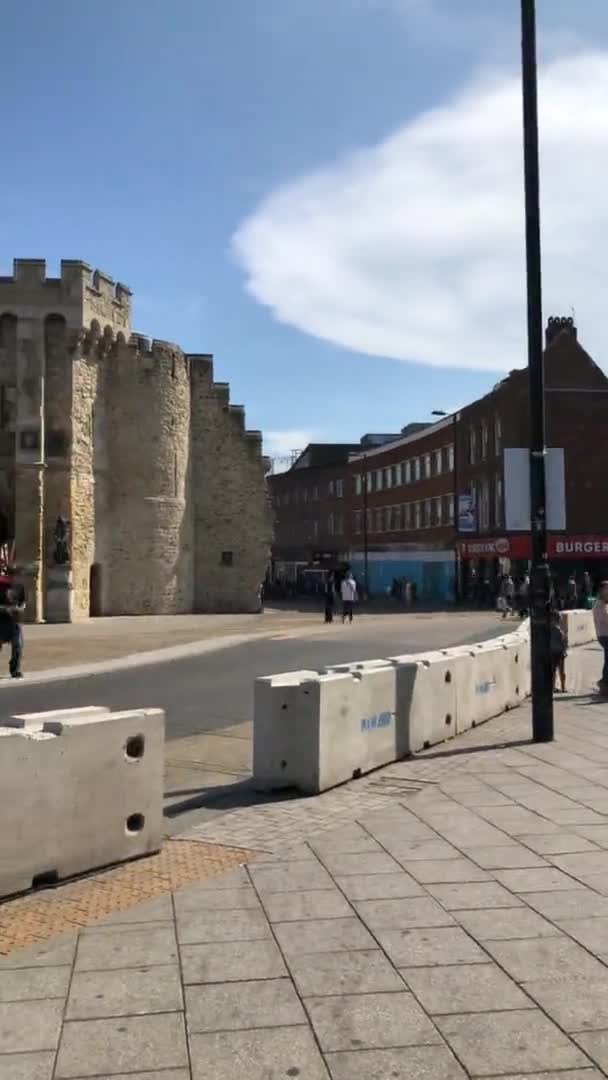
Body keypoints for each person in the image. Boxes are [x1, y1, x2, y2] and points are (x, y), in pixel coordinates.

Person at [0, 569, 26, 678]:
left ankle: (15, 670)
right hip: (1, 621)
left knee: (18, 646)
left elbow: (23, 602)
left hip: (15, 623)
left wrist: (19, 608)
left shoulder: (20, 587)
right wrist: (5, 609)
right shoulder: (1, 586)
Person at [593, 581, 608, 695]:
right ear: (602, 590)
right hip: (605, 635)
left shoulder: (603, 604)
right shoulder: (600, 605)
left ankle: (604, 682)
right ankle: (604, 683)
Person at [550, 607, 568, 693]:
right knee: (561, 671)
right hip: (559, 652)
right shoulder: (559, 629)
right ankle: (563, 688)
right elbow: (563, 641)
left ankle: (552, 688)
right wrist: (564, 649)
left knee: (552, 671)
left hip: (551, 652)